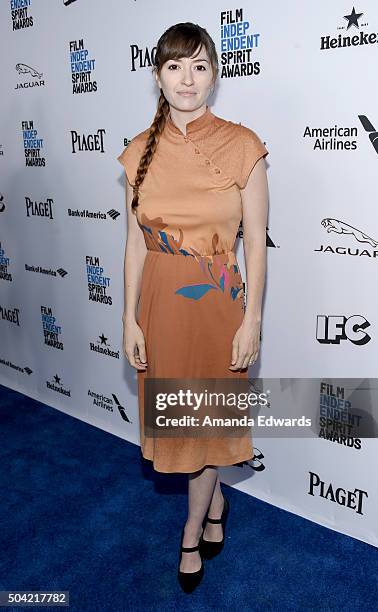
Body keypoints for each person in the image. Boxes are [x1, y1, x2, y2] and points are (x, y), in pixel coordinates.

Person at [117, 22, 269, 592]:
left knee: (205, 422)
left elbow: (254, 242)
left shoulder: (243, 144)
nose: (188, 78)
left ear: (215, 76)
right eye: (176, 66)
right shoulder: (138, 152)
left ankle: (191, 530)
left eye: (200, 66)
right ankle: (213, 504)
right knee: (183, 424)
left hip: (217, 302)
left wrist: (251, 318)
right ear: (158, 74)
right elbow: (134, 241)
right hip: (160, 300)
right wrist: (127, 315)